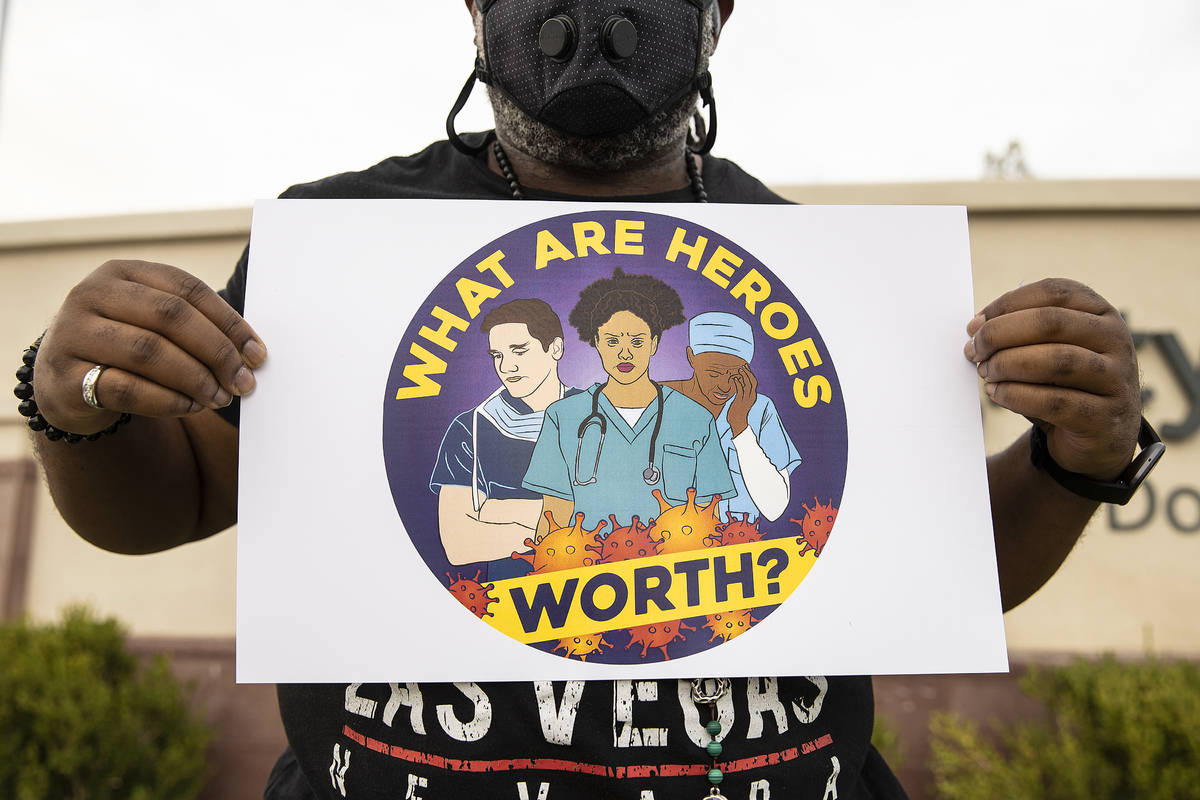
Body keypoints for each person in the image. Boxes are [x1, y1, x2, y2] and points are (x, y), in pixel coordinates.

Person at [20, 0, 1148, 797]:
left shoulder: (820, 280)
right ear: (471, 10)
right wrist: (75, 400)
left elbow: (929, 565)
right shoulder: (340, 245)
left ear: (722, 10)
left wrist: (1076, 456)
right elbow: (171, 502)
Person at [523, 270, 735, 535]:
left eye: (637, 342)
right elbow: (554, 517)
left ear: (654, 344)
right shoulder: (562, 416)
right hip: (588, 566)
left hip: (673, 568)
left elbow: (709, 516)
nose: (625, 353)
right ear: (597, 343)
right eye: (612, 341)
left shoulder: (696, 418)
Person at [430, 298, 574, 580]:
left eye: (519, 352)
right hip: (510, 599)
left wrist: (493, 509)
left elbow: (617, 515)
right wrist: (562, 521)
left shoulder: (594, 412)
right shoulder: (470, 428)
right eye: (497, 355)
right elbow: (459, 545)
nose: (506, 367)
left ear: (555, 348)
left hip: (603, 588)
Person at [665, 311, 801, 523]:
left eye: (736, 375)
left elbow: (775, 507)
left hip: (737, 544)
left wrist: (740, 426)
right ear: (691, 358)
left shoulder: (760, 409)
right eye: (714, 373)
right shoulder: (659, 401)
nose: (724, 386)